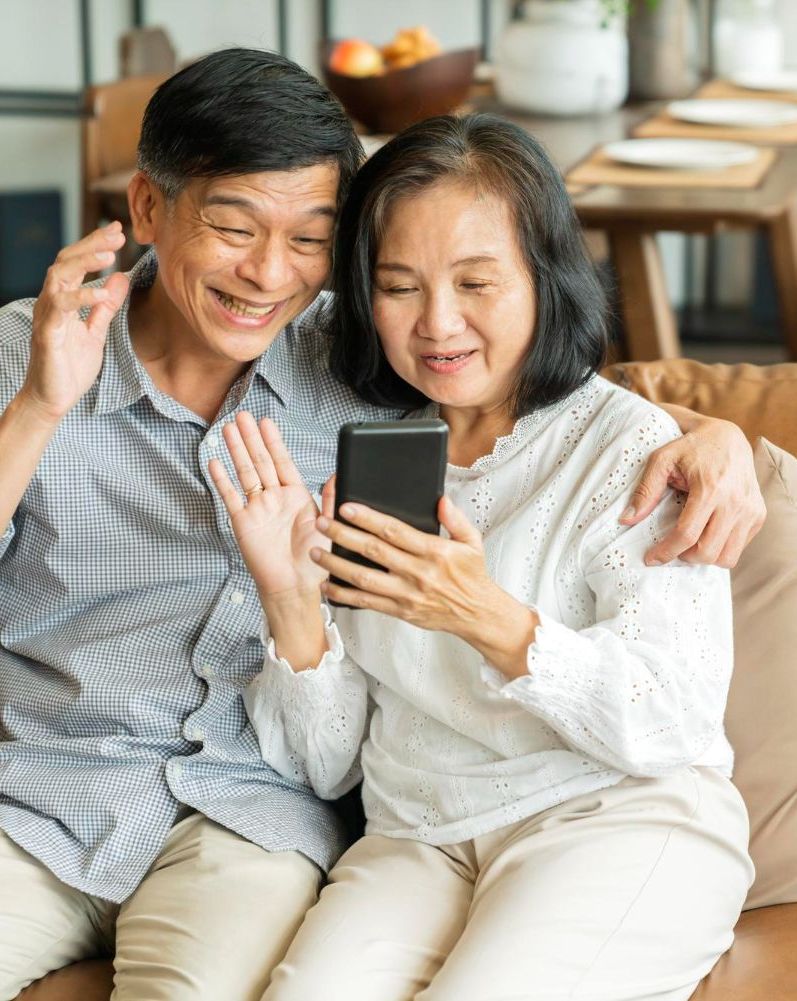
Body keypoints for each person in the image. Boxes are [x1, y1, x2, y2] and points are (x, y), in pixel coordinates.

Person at [0, 51, 762, 1001]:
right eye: (234, 227)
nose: (269, 275)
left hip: (252, 816)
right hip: (37, 800)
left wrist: (715, 435)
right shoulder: (14, 357)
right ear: (149, 210)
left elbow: (527, 399)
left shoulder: (357, 361)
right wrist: (40, 408)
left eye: (311, 239)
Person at [216, 113, 755, 1001]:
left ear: (546, 279)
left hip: (615, 818)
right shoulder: (362, 449)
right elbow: (327, 765)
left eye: (477, 282)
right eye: (398, 285)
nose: (437, 324)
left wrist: (482, 613)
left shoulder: (635, 452)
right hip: (417, 837)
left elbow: (673, 721)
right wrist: (290, 602)